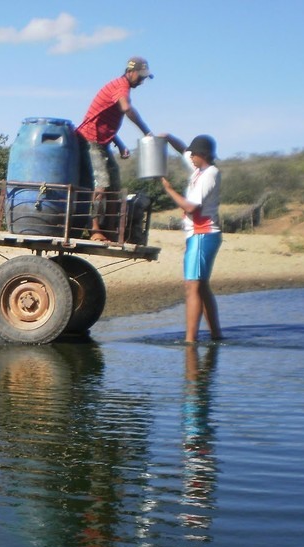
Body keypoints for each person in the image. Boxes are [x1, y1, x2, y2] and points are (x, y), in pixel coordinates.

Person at [77, 57, 154, 241]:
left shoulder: (121, 87)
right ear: (130, 72)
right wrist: (147, 132)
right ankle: (94, 229)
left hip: (102, 141)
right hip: (89, 139)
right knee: (102, 184)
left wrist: (119, 144)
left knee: (115, 185)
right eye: (140, 76)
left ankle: (110, 229)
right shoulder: (121, 87)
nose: (142, 81)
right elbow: (127, 109)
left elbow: (104, 121)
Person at [160, 134, 224, 343]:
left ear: (203, 155)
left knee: (192, 286)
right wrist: (168, 137)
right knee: (202, 286)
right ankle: (216, 335)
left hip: (202, 234)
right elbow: (183, 150)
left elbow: (190, 206)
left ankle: (190, 340)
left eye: (195, 154)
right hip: (199, 234)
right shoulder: (199, 169)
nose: (191, 157)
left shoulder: (209, 175)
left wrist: (169, 190)